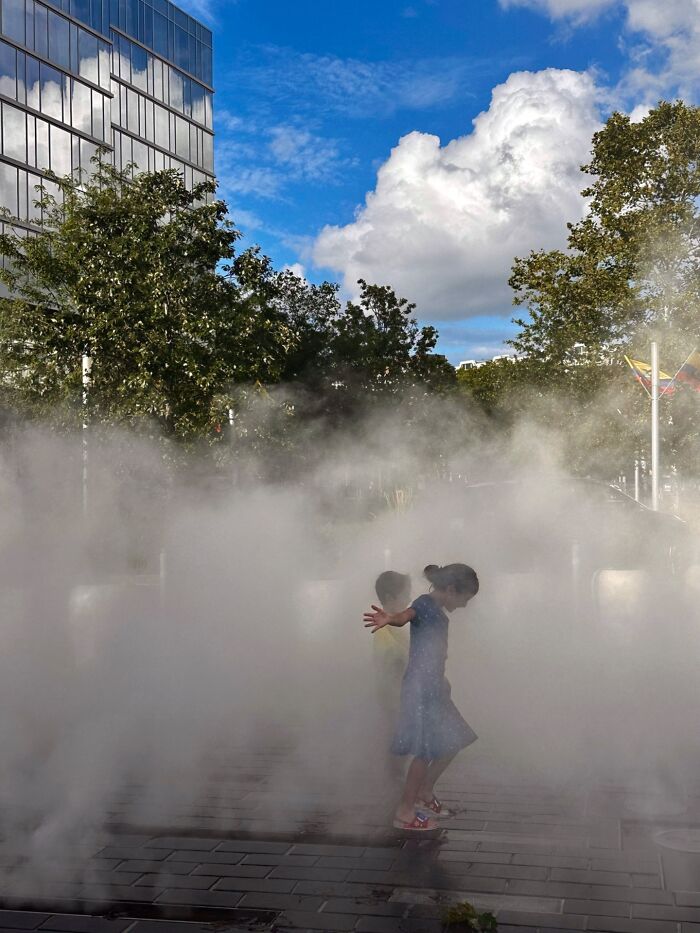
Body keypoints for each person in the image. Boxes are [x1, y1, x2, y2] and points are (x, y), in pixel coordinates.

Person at [364, 563, 479, 832]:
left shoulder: (436, 608)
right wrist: (390, 619)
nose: (464, 605)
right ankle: (405, 812)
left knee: (454, 738)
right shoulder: (424, 604)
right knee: (425, 751)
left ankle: (424, 793)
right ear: (451, 590)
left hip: (433, 686)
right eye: (464, 599)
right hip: (421, 688)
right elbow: (406, 616)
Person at [373, 571, 411, 780]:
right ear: (389, 598)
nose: (408, 600)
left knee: (398, 739)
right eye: (405, 595)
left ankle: (396, 779)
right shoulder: (383, 629)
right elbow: (390, 662)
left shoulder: (395, 626)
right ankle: (395, 783)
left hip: (398, 694)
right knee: (396, 739)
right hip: (392, 695)